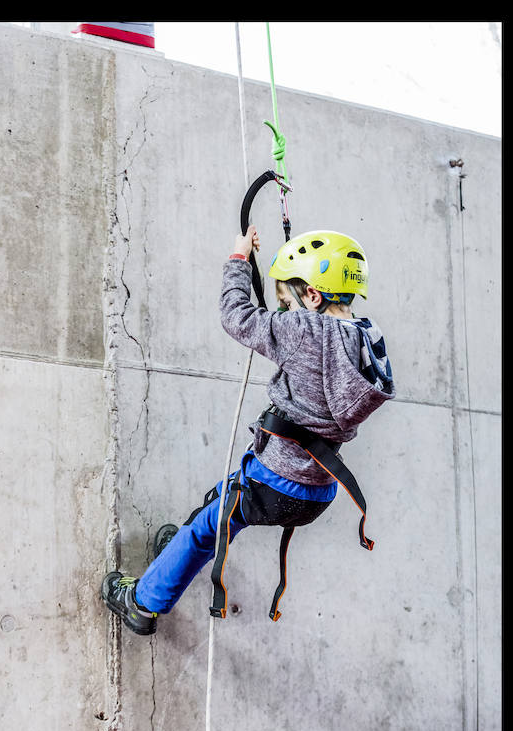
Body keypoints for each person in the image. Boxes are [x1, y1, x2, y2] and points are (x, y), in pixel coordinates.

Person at [101, 225, 395, 634]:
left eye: (284, 302)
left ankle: (142, 603)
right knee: (217, 501)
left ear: (312, 295)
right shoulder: (368, 338)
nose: (281, 311)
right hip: (317, 488)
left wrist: (239, 259)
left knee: (208, 529)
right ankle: (174, 558)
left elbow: (236, 316)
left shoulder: (303, 330)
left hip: (274, 481)